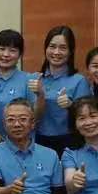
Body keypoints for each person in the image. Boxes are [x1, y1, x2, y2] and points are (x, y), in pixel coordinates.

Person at [34, 26, 90, 155]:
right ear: (45, 48)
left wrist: (71, 106)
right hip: (37, 140)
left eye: (63, 48)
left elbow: (86, 117)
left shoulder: (79, 81)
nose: (56, 52)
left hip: (68, 141)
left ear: (71, 51)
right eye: (52, 46)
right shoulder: (35, 79)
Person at [0, 30, 43, 146]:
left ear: (20, 55)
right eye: (1, 49)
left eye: (12, 50)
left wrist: (40, 95)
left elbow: (36, 116)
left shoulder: (29, 79)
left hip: (22, 143)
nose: (6, 54)